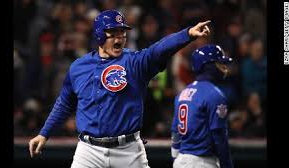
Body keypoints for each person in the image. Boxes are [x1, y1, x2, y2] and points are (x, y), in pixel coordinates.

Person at [29, 9, 211, 168]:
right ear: (100, 35)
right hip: (88, 151)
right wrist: (44, 134)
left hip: (128, 151)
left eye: (122, 33)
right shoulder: (78, 67)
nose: (120, 38)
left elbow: (158, 50)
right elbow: (64, 103)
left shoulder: (134, 63)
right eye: (114, 33)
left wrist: (187, 34)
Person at [171, 44, 234, 168]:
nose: (224, 67)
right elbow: (219, 136)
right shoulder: (215, 94)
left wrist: (176, 158)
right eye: (219, 62)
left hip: (181, 160)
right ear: (208, 66)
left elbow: (175, 132)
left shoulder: (182, 93)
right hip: (203, 162)